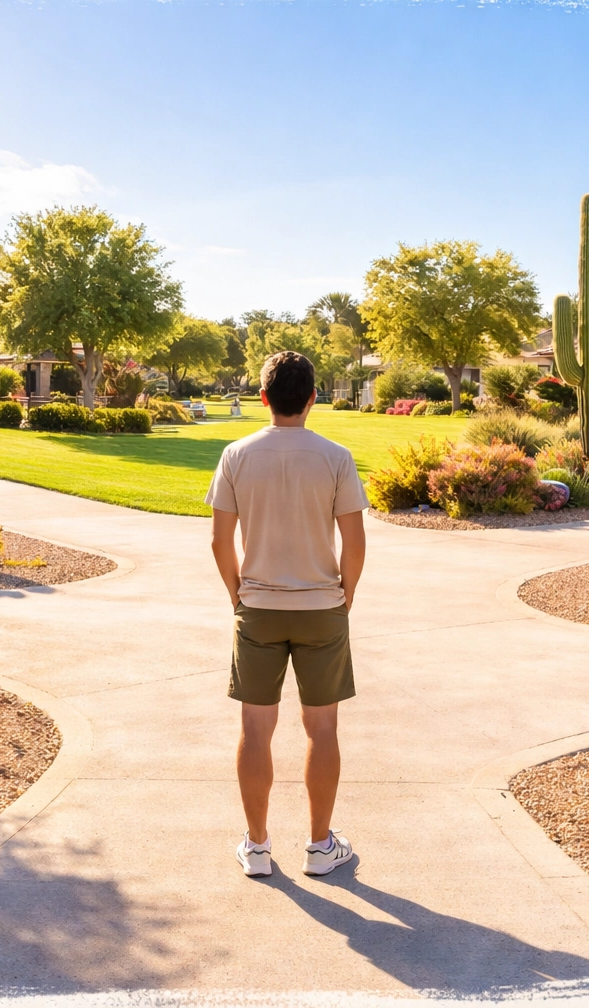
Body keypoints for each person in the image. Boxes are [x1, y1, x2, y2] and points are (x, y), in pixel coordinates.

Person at [206, 351, 368, 878]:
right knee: (322, 728)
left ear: (263, 397)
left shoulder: (236, 455)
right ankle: (321, 848)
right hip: (322, 607)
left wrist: (237, 595)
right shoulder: (336, 456)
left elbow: (219, 540)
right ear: (313, 398)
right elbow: (356, 542)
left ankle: (257, 849)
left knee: (256, 728)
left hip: (257, 608)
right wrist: (344, 595)